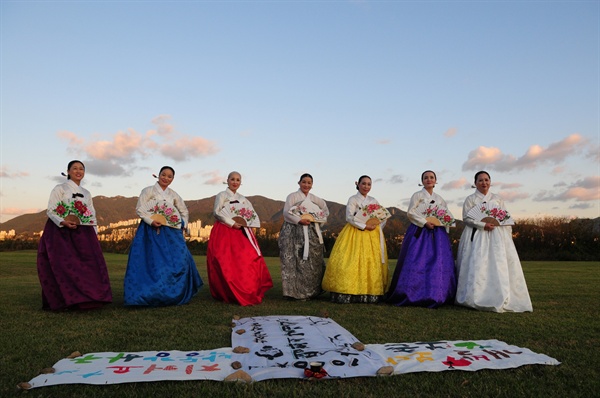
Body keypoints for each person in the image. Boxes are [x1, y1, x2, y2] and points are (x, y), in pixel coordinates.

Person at [36, 160, 112, 311]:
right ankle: (64, 300)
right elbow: (51, 210)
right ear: (68, 171)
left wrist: (94, 234)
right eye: (75, 168)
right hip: (61, 232)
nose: (78, 171)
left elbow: (91, 215)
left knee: (87, 265)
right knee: (62, 265)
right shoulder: (59, 188)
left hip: (84, 232)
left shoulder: (87, 193)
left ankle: (87, 299)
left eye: (81, 169)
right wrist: (63, 221)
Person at [124, 166, 203, 306]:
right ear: (158, 175)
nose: (166, 178)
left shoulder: (174, 195)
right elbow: (140, 209)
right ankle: (150, 292)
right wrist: (151, 220)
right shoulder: (148, 191)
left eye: (169, 176)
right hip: (150, 231)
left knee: (182, 258)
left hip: (171, 231)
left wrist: (182, 224)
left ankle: (175, 291)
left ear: (172, 179)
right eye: (164, 175)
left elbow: (183, 210)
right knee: (151, 261)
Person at [455, 171, 533, 312]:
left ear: (490, 181)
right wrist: (482, 224)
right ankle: (475, 296)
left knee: (498, 263)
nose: (484, 183)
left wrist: (507, 236)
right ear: (475, 183)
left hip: (497, 235)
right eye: (480, 180)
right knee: (477, 263)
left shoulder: (497, 199)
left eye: (486, 180)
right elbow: (467, 218)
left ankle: (500, 294)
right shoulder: (470, 199)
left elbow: (504, 219)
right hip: (477, 235)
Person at [386, 170, 456, 308]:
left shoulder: (440, 199)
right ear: (422, 181)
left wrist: (443, 230)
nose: (429, 180)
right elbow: (411, 212)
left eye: (431, 177)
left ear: (436, 181)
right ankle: (411, 293)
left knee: (438, 262)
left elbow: (444, 217)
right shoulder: (417, 195)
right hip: (420, 231)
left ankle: (437, 294)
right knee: (416, 260)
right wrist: (424, 222)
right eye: (425, 178)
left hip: (437, 234)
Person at [206, 171, 273, 306]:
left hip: (241, 232)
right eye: (232, 179)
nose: (235, 182)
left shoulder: (243, 199)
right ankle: (227, 291)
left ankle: (247, 288)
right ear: (227, 180)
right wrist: (231, 223)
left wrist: (246, 224)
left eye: (238, 180)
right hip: (224, 231)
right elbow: (217, 212)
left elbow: (248, 216)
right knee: (224, 260)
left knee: (247, 259)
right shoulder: (222, 195)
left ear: (240, 182)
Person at [322, 175, 389, 303]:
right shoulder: (353, 199)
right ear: (358, 184)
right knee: (350, 260)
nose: (366, 186)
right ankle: (347, 292)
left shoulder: (373, 200)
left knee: (370, 261)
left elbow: (381, 217)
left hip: (371, 235)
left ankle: (370, 292)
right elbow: (349, 217)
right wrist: (364, 225)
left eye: (369, 184)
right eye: (363, 183)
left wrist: (376, 225)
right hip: (355, 232)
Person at [278, 173, 329, 300]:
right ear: (299, 183)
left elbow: (325, 212)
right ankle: (292, 293)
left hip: (311, 231)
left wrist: (317, 220)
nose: (306, 185)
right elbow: (286, 213)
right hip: (293, 231)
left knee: (312, 261)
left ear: (312, 185)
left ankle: (312, 291)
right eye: (304, 182)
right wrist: (299, 220)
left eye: (309, 182)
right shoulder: (292, 196)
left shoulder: (316, 199)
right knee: (293, 260)